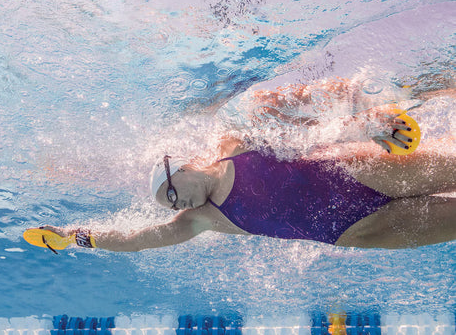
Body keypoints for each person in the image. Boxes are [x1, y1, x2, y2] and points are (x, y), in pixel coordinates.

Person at [24, 85, 456, 253]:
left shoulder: (233, 145)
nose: (177, 203)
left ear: (181, 167)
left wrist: (364, 120)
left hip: (359, 174)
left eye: (172, 192)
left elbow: (296, 111)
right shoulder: (201, 219)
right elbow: (137, 240)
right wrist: (76, 236)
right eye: (170, 204)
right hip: (357, 231)